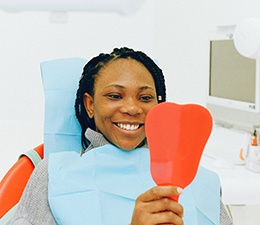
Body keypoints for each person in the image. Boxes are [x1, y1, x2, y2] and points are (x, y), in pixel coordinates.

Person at [10, 47, 233, 225]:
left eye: (145, 98)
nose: (132, 108)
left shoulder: (201, 182)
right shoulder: (53, 175)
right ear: (90, 105)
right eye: (115, 96)